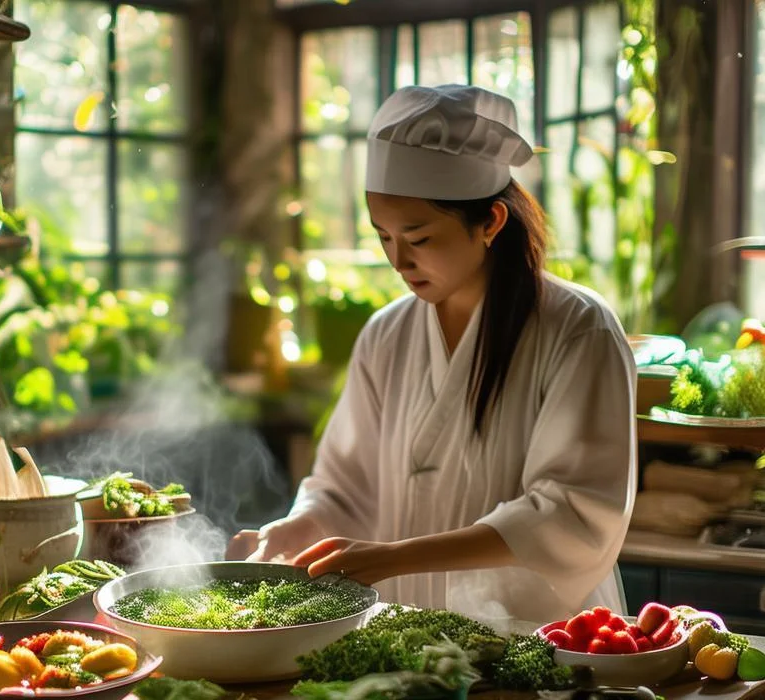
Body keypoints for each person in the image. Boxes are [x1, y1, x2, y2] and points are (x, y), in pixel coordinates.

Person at [226, 84, 637, 624]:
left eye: (418, 239)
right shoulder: (386, 334)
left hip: (531, 629)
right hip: (401, 626)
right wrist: (296, 526)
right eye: (384, 237)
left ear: (490, 222)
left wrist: (396, 557)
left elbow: (570, 512)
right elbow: (344, 486)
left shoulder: (578, 328)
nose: (399, 260)